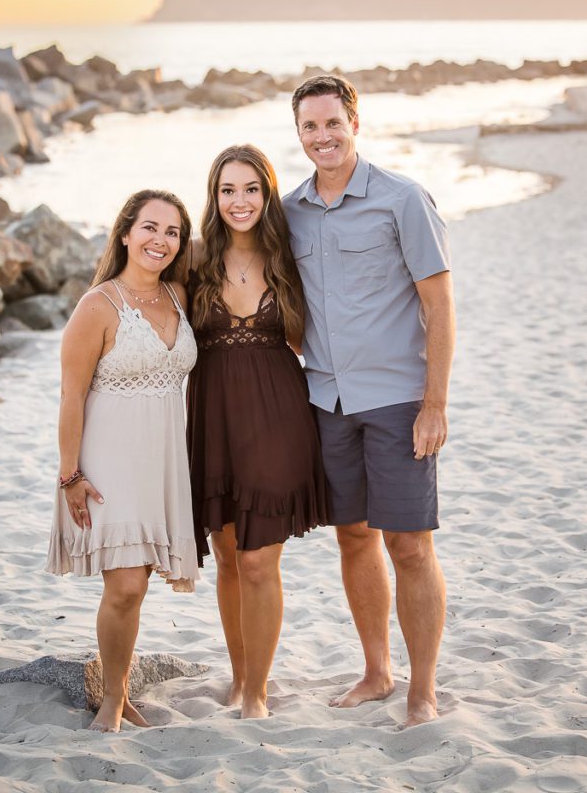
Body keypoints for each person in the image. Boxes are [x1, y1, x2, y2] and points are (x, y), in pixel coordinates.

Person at [283, 75, 455, 728]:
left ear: (354, 122)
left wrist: (433, 403)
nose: (321, 137)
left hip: (394, 400)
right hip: (324, 400)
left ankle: (423, 686)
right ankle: (377, 671)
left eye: (331, 124)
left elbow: (438, 304)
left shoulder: (402, 199)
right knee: (352, 536)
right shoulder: (288, 209)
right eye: (309, 127)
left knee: (409, 545)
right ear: (297, 133)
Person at [46, 189, 198, 733]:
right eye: (150, 228)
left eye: (173, 232)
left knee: (137, 585)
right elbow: (71, 395)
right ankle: (112, 698)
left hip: (162, 462)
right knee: (126, 586)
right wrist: (70, 475)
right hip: (107, 461)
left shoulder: (180, 293)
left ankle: (122, 689)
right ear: (126, 233)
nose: (160, 240)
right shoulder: (97, 306)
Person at [186, 144, 329, 719]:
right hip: (210, 418)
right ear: (214, 197)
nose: (239, 201)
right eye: (227, 190)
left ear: (268, 194)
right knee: (224, 558)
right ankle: (240, 675)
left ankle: (258, 693)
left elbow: (317, 333)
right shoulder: (192, 259)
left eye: (250, 189)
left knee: (257, 561)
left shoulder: (289, 258)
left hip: (276, 416)